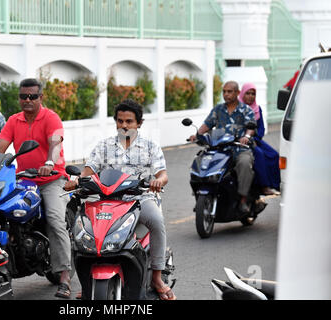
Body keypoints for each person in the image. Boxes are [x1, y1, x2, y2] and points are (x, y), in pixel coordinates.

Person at [64, 99, 176, 300]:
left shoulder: (150, 147)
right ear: (115, 122)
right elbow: (88, 172)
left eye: (129, 121)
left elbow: (163, 174)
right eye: (120, 121)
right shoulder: (103, 146)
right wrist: (76, 181)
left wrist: (158, 181)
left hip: (141, 199)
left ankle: (157, 277)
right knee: (80, 229)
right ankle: (87, 282)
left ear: (139, 123)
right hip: (106, 200)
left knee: (157, 222)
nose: (124, 125)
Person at [0, 78, 72, 299]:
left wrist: (49, 163)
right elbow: (0, 147)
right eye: (23, 96)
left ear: (40, 98)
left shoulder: (50, 117)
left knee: (55, 219)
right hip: (23, 179)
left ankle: (64, 276)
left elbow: (55, 143)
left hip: (51, 179)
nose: (27, 100)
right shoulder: (13, 120)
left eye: (32, 96)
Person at [189, 81, 256, 213]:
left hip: (239, 149)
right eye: (224, 91)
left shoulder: (245, 110)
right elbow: (207, 124)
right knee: (199, 162)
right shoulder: (218, 109)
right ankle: (200, 197)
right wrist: (197, 135)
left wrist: (246, 137)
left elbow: (251, 127)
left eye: (229, 91)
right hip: (219, 149)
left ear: (237, 93)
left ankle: (242, 199)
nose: (226, 94)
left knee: (244, 162)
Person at [238, 83, 280, 194]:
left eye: (253, 94)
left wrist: (257, 137)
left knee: (274, 155)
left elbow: (261, 127)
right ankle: (264, 186)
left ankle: (275, 184)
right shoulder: (237, 108)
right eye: (248, 93)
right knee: (259, 155)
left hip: (255, 139)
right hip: (241, 141)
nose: (250, 96)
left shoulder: (257, 108)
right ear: (242, 94)